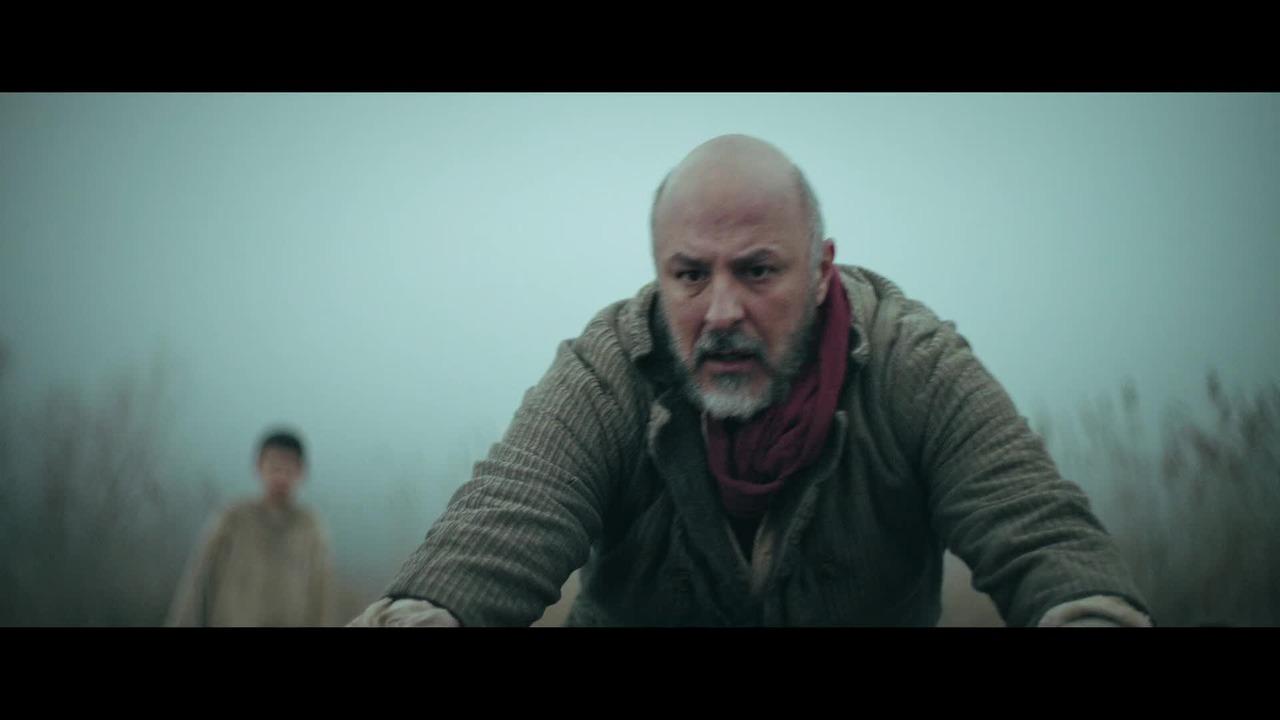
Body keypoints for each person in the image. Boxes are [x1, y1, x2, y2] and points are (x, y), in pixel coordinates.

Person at [348, 134, 1154, 628]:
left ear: (821, 270)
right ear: (660, 274)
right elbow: (501, 529)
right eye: (691, 275)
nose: (722, 311)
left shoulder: (914, 365)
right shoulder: (607, 373)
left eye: (758, 270)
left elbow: (1041, 535)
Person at [166, 428, 339, 627]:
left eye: (289, 469)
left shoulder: (311, 528)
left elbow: (322, 601)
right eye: (274, 467)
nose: (281, 477)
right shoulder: (233, 519)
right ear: (258, 466)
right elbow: (198, 586)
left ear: (301, 472)